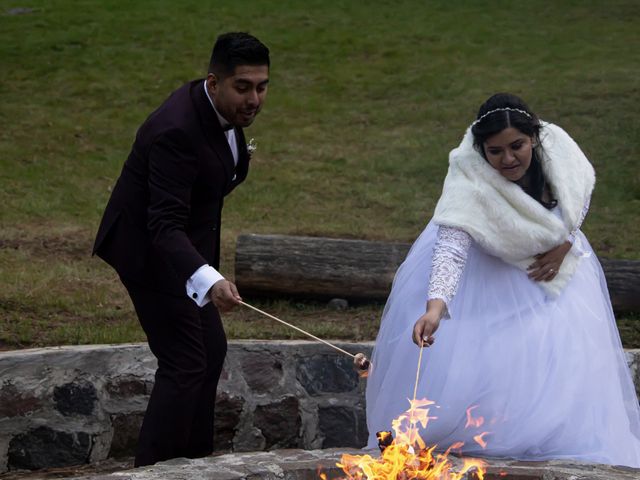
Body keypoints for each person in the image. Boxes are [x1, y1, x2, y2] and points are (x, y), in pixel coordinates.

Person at [365, 93, 640, 467]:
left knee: (557, 345)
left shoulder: (557, 150)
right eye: (495, 152)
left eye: (517, 146)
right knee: (488, 350)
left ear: (534, 138)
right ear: (481, 150)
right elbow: (451, 246)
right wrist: (436, 306)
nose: (508, 159)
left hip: (547, 260)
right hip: (487, 265)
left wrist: (566, 242)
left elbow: (580, 193)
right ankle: (488, 434)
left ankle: (549, 434)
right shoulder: (467, 177)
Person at [92, 32, 270, 467]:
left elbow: (205, 197)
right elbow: (163, 224)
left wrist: (204, 269)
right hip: (148, 252)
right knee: (186, 362)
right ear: (214, 82)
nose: (254, 99)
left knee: (211, 352)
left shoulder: (225, 118)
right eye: (242, 87)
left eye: (262, 87)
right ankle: (152, 470)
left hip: (184, 251)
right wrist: (209, 278)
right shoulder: (175, 131)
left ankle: (195, 464)